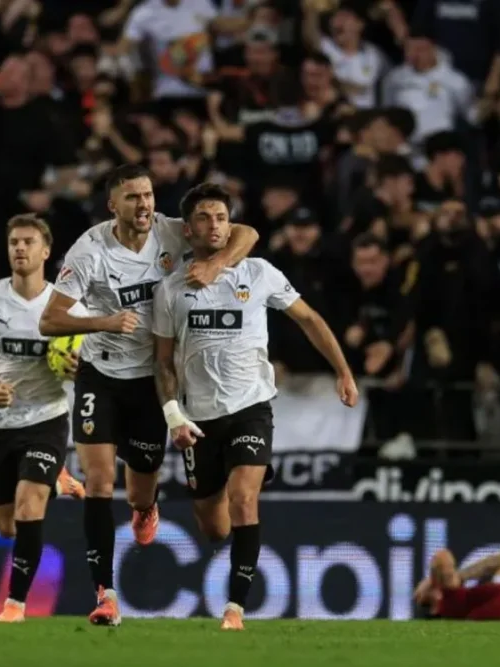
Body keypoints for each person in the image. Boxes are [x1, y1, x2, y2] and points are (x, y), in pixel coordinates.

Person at [39, 164, 259, 626]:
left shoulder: (171, 232)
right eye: (132, 197)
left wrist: (216, 264)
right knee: (100, 483)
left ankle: (145, 508)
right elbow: (50, 319)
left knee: (139, 489)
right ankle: (105, 595)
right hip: (101, 374)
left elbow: (247, 233)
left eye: (148, 195)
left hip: (152, 381)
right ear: (112, 206)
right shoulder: (89, 251)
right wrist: (103, 322)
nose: (143, 204)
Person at [152, 182, 359, 630]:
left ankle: (235, 609)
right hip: (198, 418)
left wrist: (343, 370)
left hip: (251, 407)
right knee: (214, 527)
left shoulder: (259, 272)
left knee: (244, 499)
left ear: (231, 225)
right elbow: (163, 362)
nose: (214, 225)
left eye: (221, 218)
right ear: (187, 230)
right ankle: (237, 478)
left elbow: (309, 319)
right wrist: (172, 414)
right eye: (204, 218)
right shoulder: (170, 289)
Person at [0, 214, 86, 623]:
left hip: (47, 418)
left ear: (46, 251)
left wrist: (79, 369)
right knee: (5, 525)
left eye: (28, 241)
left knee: (30, 506)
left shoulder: (67, 307)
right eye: (14, 241)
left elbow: (93, 361)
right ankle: (59, 482)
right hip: (0, 422)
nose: (19, 248)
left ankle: (14, 604)